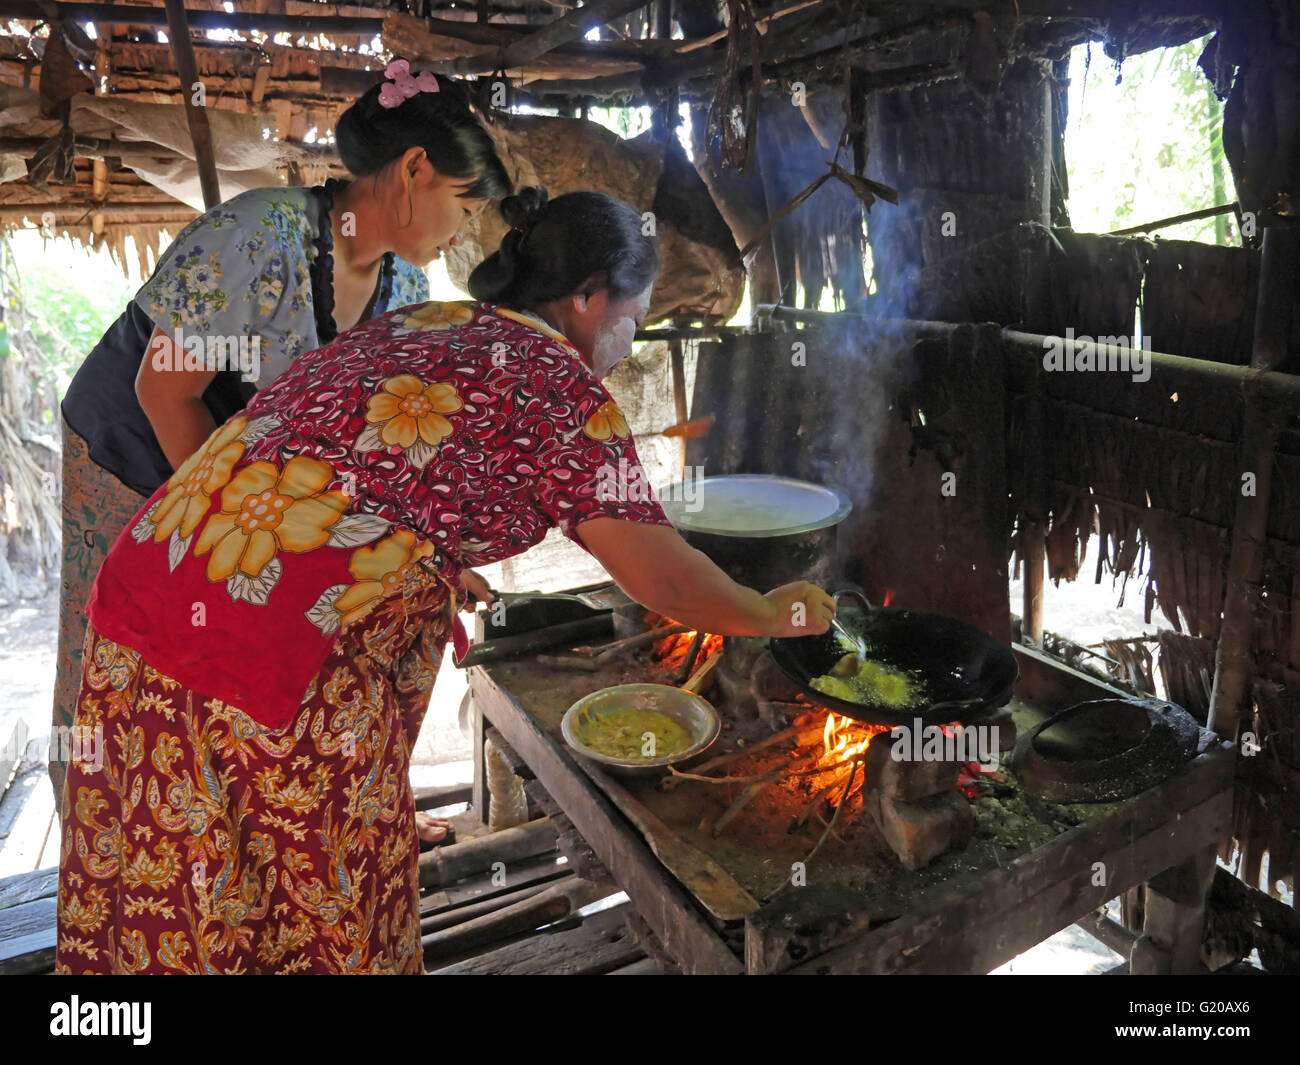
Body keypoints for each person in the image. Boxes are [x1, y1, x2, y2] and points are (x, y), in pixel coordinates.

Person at [55, 186, 834, 974]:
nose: (629, 347)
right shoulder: (561, 387)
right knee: (330, 910)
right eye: (631, 321)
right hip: (266, 669)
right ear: (588, 296)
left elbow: (366, 472)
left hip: (141, 607)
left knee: (184, 907)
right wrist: (769, 611)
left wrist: (435, 558)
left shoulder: (431, 322)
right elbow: (662, 578)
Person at [51, 61, 511, 811]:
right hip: (130, 448)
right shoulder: (258, 235)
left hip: (237, 474)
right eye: (463, 204)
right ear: (415, 170)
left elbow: (367, 444)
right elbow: (163, 390)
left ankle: (229, 840)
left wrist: (431, 550)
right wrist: (248, 534)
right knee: (119, 650)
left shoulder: (404, 289)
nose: (465, 227)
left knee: (221, 659)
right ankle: (94, 834)